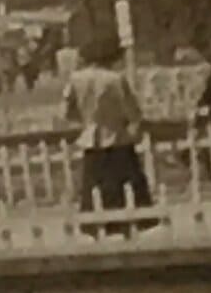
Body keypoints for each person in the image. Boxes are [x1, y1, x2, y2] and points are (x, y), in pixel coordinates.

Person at [62, 30, 153, 234]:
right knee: (124, 182)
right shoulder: (115, 79)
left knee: (95, 184)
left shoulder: (76, 79)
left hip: (90, 138)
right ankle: (129, 223)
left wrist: (86, 120)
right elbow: (132, 111)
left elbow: (68, 112)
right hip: (116, 136)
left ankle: (96, 225)